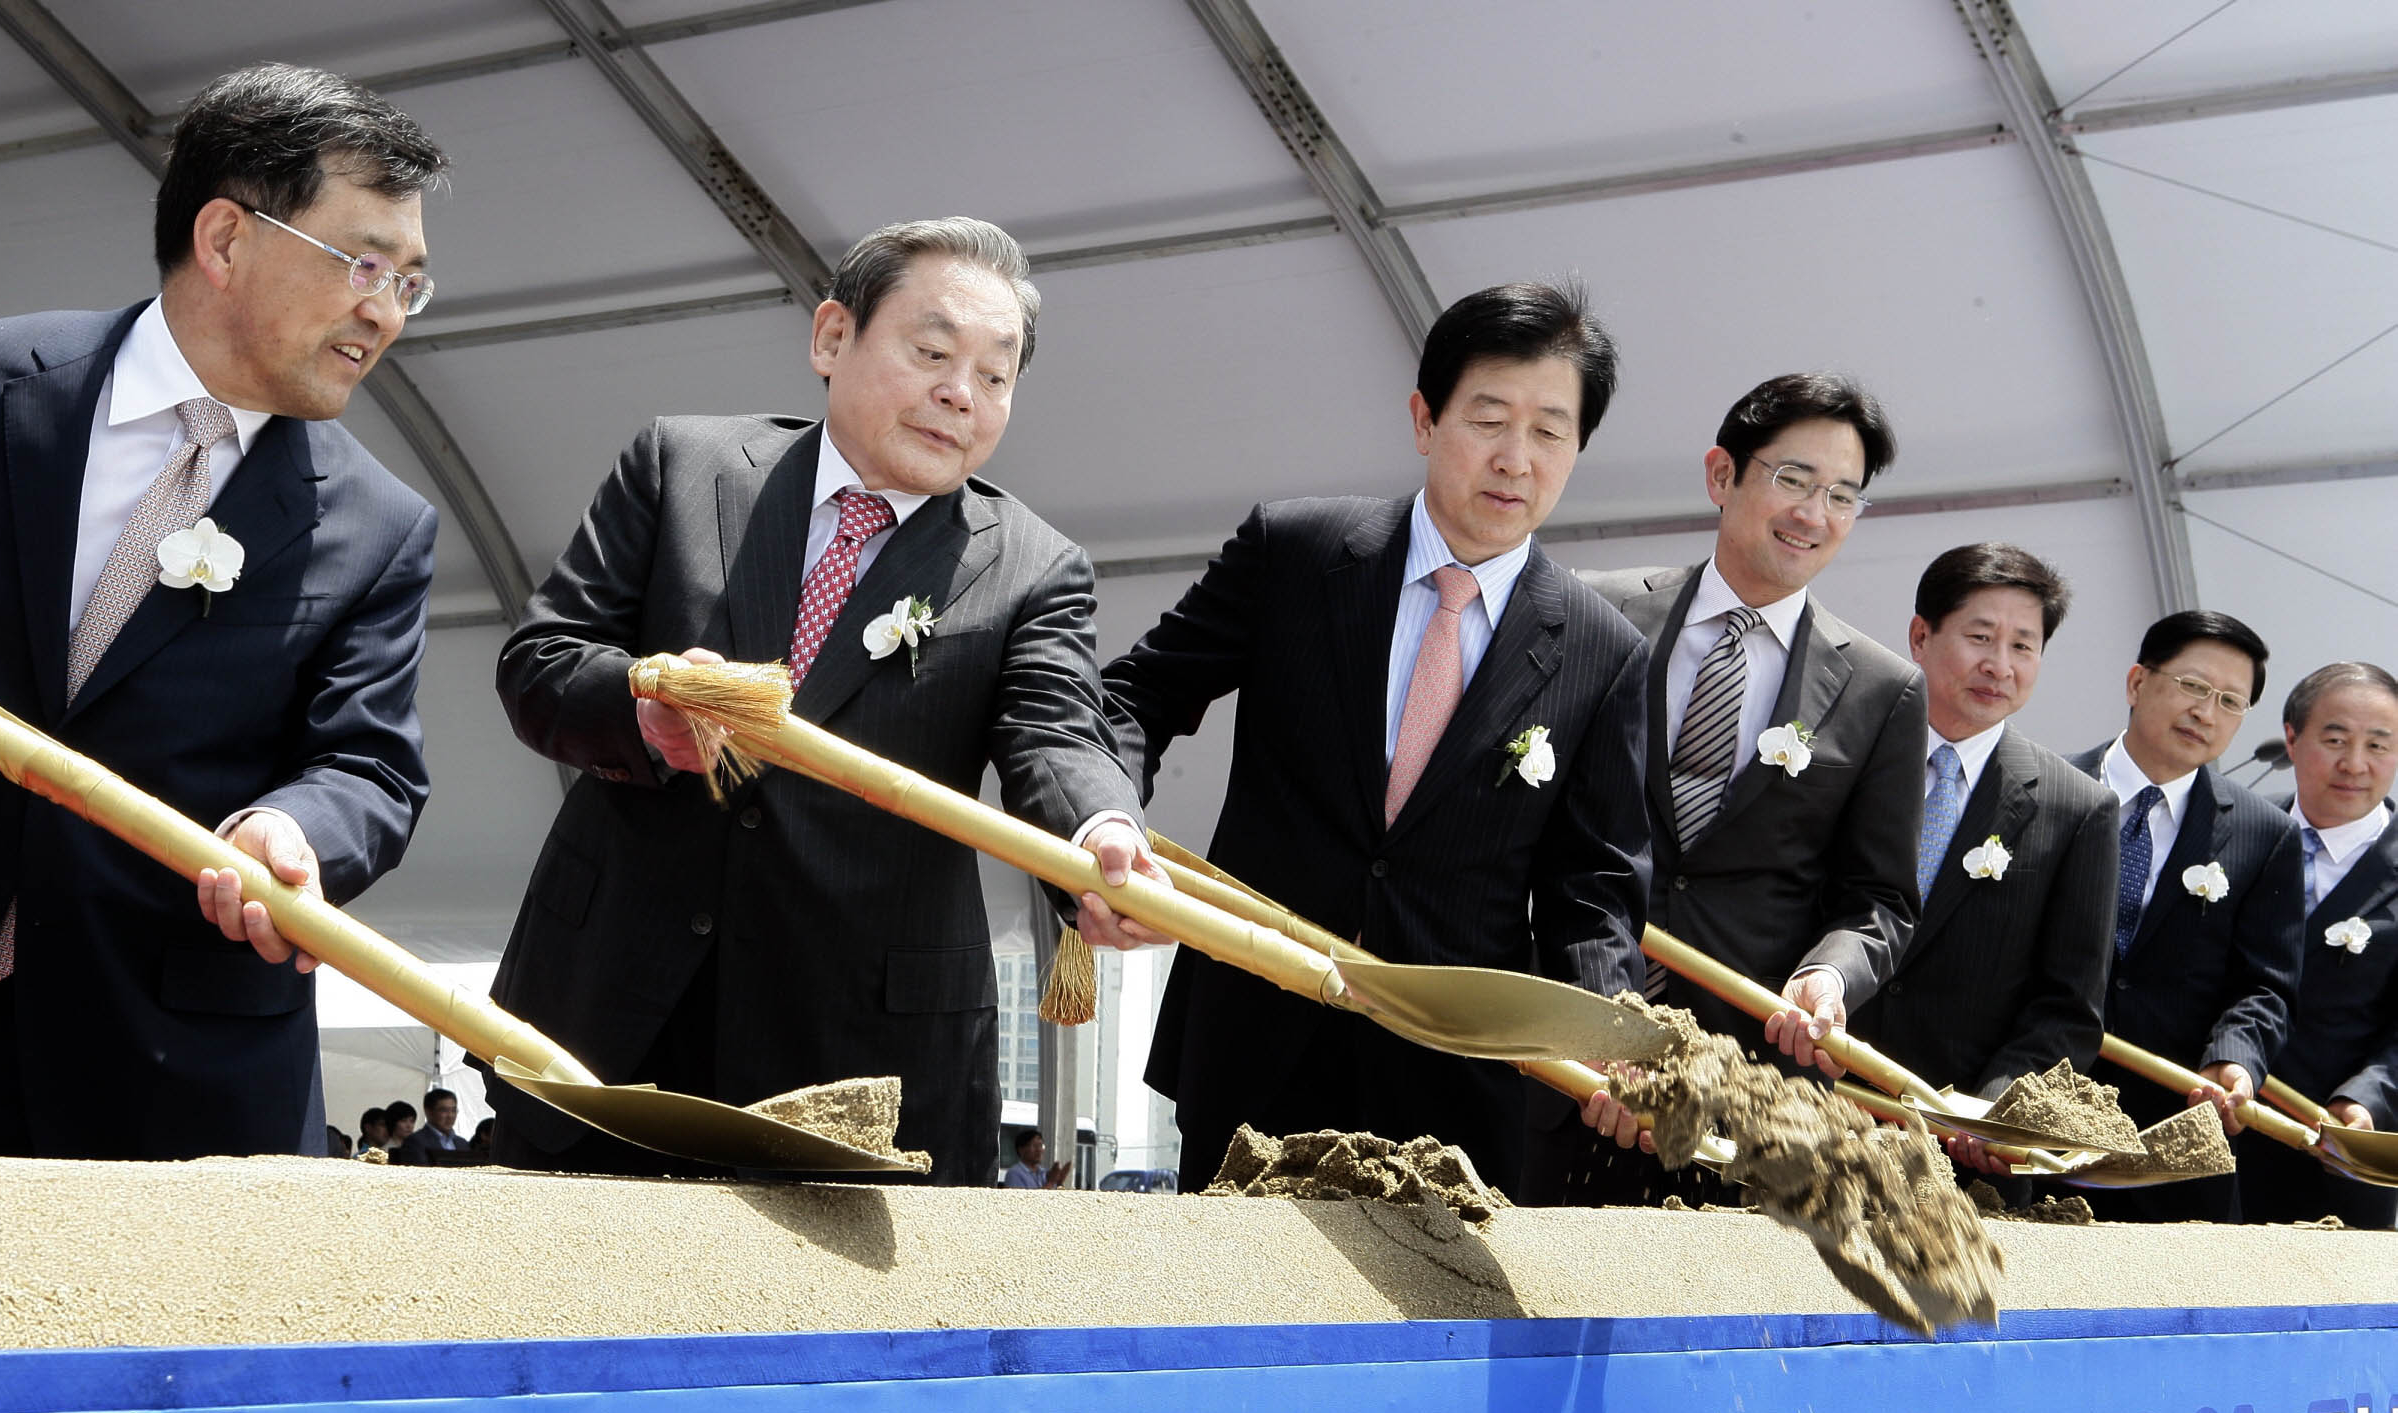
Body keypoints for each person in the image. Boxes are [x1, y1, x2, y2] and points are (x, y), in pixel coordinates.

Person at [0, 64, 442, 1159]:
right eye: (362, 263)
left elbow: (370, 766)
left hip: (179, 1078)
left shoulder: (380, 524)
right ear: (223, 237)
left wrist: (295, 828)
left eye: (408, 282)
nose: (382, 312)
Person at [487, 218, 1157, 1186]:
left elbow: (1052, 730)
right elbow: (543, 658)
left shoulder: (1032, 564)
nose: (958, 393)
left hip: (855, 1042)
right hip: (609, 1010)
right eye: (930, 352)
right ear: (831, 338)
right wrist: (639, 710)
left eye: (995, 375)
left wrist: (1098, 828)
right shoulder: (682, 467)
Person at [1104, 282, 1650, 1192]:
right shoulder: (1295, 553)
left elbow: (1591, 890)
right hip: (1254, 1033)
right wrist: (1106, 828)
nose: (1516, 459)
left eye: (1551, 432)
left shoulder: (1602, 650)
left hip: (1452, 1081)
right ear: (1424, 420)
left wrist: (1609, 1036)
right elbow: (1135, 696)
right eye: (1489, 419)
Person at [1522, 373, 1925, 1204]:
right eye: (1792, 480)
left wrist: (1831, 977)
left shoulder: (1882, 689)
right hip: (1555, 1058)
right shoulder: (1589, 612)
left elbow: (1878, 900)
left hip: (1743, 1098)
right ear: (1721, 475)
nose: (1814, 514)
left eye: (1843, 496)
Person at [1847, 545, 2118, 1170]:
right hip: (1806, 1109)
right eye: (1979, 637)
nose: (2000, 665)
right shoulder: (1845, 753)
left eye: (2023, 646)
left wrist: (1999, 1108)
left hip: (1958, 1153)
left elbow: (2068, 1008)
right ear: (1921, 635)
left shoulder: (2077, 809)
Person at [2070, 610, 2303, 1222]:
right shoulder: (2044, 786)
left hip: (2175, 1141)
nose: (2207, 712)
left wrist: (2235, 1056)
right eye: (2194, 687)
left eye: (2231, 701)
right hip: (2037, 1121)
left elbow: (2265, 986)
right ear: (2137, 682)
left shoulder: (2264, 834)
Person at [2236, 662, 2398, 1229]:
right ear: (2291, 737)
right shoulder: (2237, 829)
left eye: (2379, 745)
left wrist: (2367, 1100)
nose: (2355, 764)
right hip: (2211, 1140)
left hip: (2337, 1160)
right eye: (2335, 740)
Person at [394, 1086, 470, 1162]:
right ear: (428, 1112)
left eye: (453, 1110)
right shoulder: (415, 1142)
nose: (450, 1116)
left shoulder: (462, 1143)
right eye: (444, 1110)